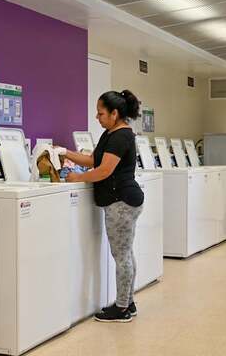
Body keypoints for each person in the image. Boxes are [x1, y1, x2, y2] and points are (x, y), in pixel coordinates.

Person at [64, 90, 144, 323]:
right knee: (126, 253)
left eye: (100, 113)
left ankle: (121, 309)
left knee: (121, 256)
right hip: (124, 200)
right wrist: (64, 152)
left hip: (122, 202)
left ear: (114, 113)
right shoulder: (111, 133)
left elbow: (104, 170)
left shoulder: (121, 136)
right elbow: (93, 160)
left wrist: (77, 178)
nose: (97, 117)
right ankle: (128, 303)